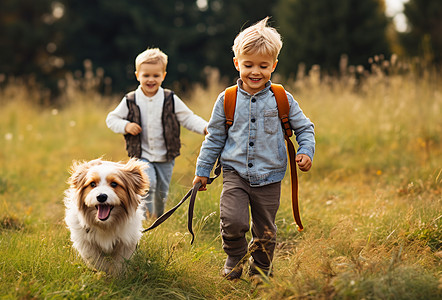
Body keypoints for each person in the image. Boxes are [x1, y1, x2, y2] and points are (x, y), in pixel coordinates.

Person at [192, 17, 315, 281]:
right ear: (237, 63)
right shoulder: (227, 99)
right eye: (248, 65)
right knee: (233, 221)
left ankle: (261, 270)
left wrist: (306, 151)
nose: (255, 72)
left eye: (263, 65)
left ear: (274, 65)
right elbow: (214, 138)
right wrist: (202, 171)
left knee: (266, 231)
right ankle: (235, 256)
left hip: (270, 176)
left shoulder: (282, 98)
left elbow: (305, 128)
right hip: (235, 172)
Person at [107, 48, 208, 218]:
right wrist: (126, 126)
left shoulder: (170, 98)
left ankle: (159, 217)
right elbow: (112, 119)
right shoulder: (131, 99)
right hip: (141, 153)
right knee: (148, 183)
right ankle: (143, 217)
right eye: (146, 75)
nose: (151, 80)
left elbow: (188, 118)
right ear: (137, 75)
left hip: (166, 155)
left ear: (164, 75)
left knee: (162, 191)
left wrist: (205, 128)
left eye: (156, 75)